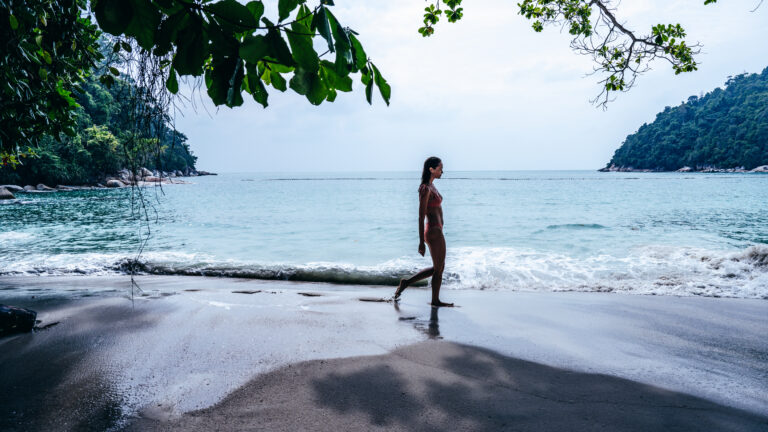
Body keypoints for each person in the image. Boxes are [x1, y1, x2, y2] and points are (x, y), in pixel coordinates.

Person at [394, 157, 454, 307]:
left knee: (438, 267)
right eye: (440, 168)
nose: (442, 171)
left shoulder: (432, 186)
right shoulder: (425, 188)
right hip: (433, 231)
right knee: (439, 268)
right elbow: (421, 217)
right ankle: (435, 300)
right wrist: (421, 242)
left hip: (437, 229)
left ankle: (406, 283)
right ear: (431, 169)